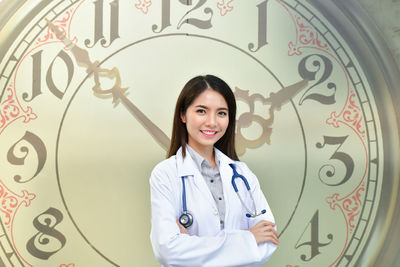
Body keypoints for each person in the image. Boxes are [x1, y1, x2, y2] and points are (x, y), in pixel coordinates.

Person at [149, 75, 279, 267]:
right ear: (183, 115)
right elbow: (168, 251)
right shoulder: (165, 174)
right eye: (202, 111)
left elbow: (268, 241)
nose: (212, 122)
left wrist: (192, 246)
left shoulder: (242, 174)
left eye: (221, 113)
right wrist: (247, 240)